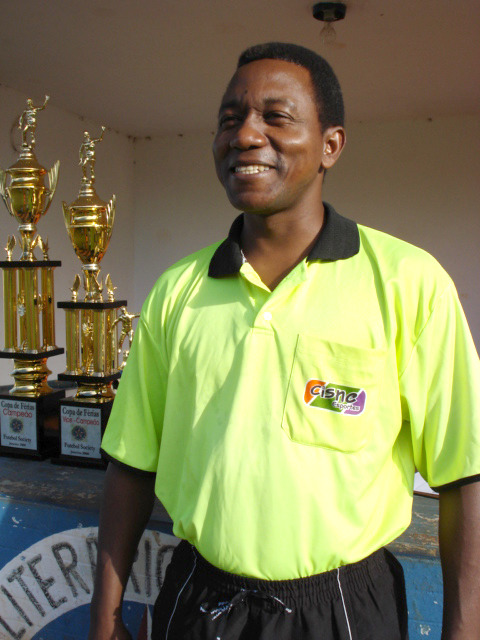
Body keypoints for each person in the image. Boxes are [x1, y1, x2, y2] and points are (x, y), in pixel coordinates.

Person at [89, 43, 480, 640]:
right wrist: (106, 615)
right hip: (199, 600)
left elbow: (464, 475)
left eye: (275, 116)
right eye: (229, 119)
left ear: (331, 145)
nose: (245, 135)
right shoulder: (177, 292)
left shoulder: (408, 283)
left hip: (344, 610)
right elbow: (131, 465)